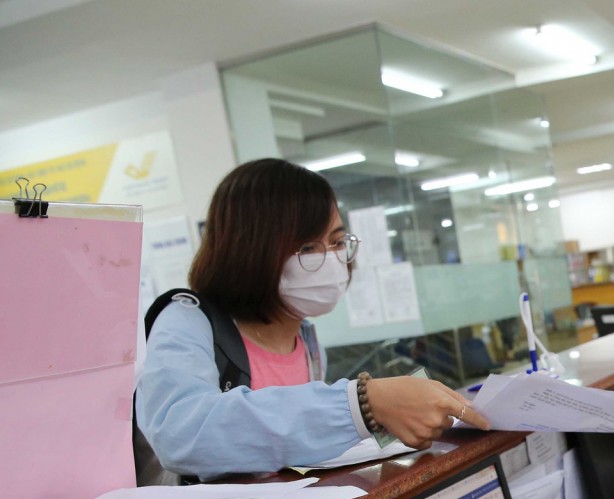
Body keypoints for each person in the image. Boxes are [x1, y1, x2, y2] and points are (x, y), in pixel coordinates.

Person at [135, 158, 488, 482]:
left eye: (336, 242)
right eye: (307, 248)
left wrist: (386, 417)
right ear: (249, 249)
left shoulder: (304, 336)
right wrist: (362, 403)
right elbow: (180, 434)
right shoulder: (187, 320)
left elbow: (293, 440)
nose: (332, 260)